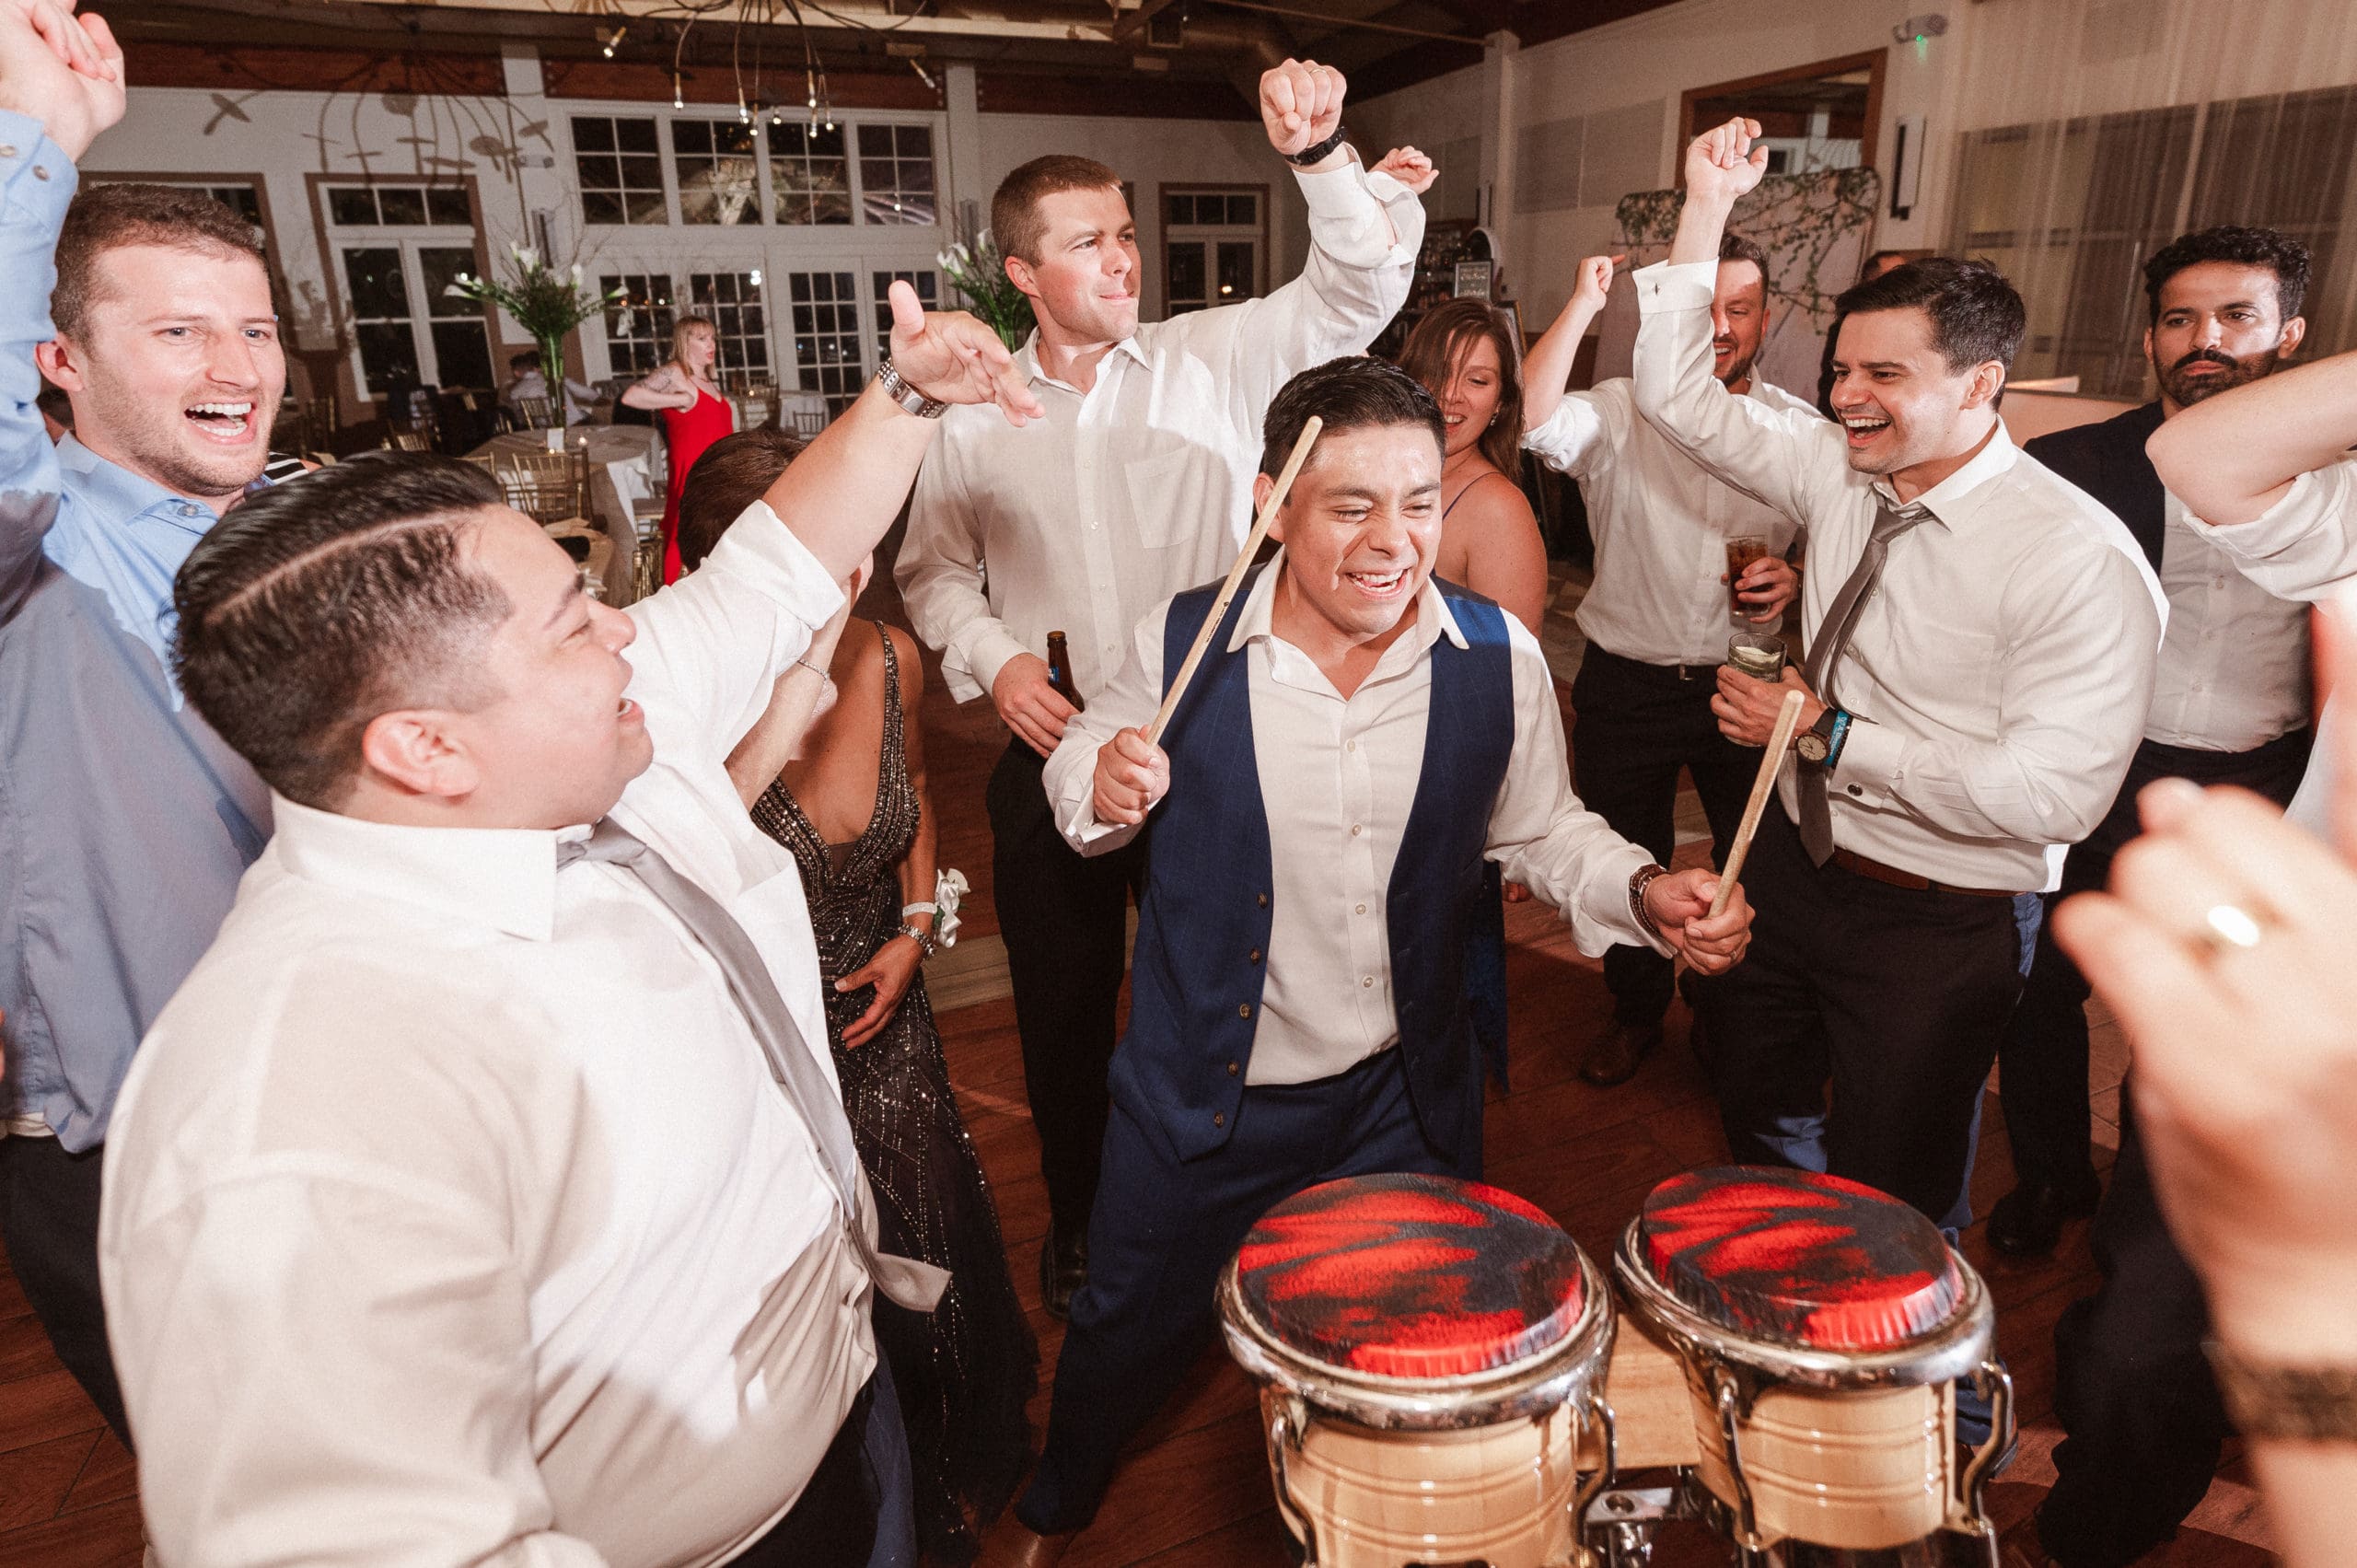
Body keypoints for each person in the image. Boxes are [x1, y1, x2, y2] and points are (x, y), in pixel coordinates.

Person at [97, 193, 1044, 1564]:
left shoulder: (573, 738)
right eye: (572, 621)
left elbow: (769, 570)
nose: (627, 630)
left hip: (851, 1416)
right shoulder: (298, 1093)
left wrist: (906, 396)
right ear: (422, 746)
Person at [978, 358, 1754, 1565]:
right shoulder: (1181, 637)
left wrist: (1648, 888)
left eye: (1420, 502)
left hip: (1403, 1092)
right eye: (1351, 506)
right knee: (1126, 1310)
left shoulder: (1494, 654)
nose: (1395, 541)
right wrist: (1104, 777)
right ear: (1271, 504)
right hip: (1207, 1087)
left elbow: (1543, 829)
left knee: (1408, 1329)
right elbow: (1082, 770)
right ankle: (1060, 1494)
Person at [895, 56, 1431, 1320]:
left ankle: (1234, 1202)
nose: (1123, 259)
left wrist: (1319, 159)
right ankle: (1086, 1217)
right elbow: (931, 572)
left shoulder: (1220, 356)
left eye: (1127, 234)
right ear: (1023, 273)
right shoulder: (969, 417)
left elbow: (1360, 287)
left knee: (1232, 991)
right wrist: (996, 660)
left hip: (1223, 741)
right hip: (1052, 746)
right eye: (1088, 243)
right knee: (1063, 1009)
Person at [1631, 116, 2164, 1232]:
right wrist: (1706, 208)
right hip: (1792, 863)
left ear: (1981, 384)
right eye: (1840, 370)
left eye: (1883, 374)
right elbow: (1675, 399)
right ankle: (1781, 1278)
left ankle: (1897, 1333)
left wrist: (1825, 733)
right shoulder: (1839, 468)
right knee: (1758, 1104)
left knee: (1896, 1177)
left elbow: (2056, 795)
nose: (1844, 398)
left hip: (1940, 913)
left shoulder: (2075, 559)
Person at [0, 2, 289, 1446]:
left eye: (255, 329)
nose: (235, 366)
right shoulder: (36, 555)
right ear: (57, 358)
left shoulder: (297, 528)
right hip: (144, 1141)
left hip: (337, 1081)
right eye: (178, 332)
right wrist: (34, 144)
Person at [675, 430, 1038, 1565]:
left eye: (847, 559)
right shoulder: (681, 705)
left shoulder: (889, 656)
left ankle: (958, 1449)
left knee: (930, 1223)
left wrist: (915, 931)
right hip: (759, 1041)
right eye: (810, 564)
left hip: (887, 1019)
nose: (842, 586)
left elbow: (916, 791)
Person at [1991, 226, 2316, 1262]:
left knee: (2185, 1018)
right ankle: (2052, 1172)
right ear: (2149, 339)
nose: (2204, 338)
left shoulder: (2334, 478)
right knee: (2032, 982)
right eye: (2180, 318)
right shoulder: (2072, 465)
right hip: (2093, 772)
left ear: (2291, 334)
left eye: (2237, 316)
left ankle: (2140, 1232)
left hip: (2256, 790)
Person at [2054, 600, 2357, 1568]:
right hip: (2278, 1013)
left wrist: (2296, 1289)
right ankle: (2093, 1521)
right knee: (2136, 1341)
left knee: (2149, 1351)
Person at [1516, 234, 1808, 1086]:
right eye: (1703, 309)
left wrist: (1797, 576)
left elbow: (1845, 548)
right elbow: (1531, 418)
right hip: (1627, 681)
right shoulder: (1620, 409)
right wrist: (1583, 303)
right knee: (1626, 854)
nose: (1719, 327)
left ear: (1764, 319)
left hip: (1746, 680)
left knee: (1754, 862)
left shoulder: (1799, 430)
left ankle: (1723, 1011)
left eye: (1739, 309)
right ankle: (1635, 1010)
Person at [1394, 297, 1547, 632]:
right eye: (1438, 373)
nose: (1451, 394)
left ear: (1500, 402)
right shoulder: (1382, 474)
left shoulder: (1498, 508)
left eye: (1477, 380)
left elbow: (1513, 655)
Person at [622, 313, 732, 586]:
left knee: (714, 537)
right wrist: (679, 399)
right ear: (685, 342)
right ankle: (675, 592)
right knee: (685, 536)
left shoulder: (705, 379)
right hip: (695, 472)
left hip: (717, 471)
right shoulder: (675, 373)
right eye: (702, 338)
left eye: (712, 338)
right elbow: (631, 396)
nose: (711, 345)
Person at [1817, 248, 1914, 418]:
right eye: (1895, 276)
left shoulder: (1914, 327)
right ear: (1872, 281)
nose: (1904, 283)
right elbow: (1828, 382)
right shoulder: (1846, 327)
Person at [501, 346, 597, 425]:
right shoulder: (554, 379)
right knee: (593, 415)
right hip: (572, 423)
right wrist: (596, 397)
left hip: (544, 428)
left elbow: (518, 415)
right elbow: (582, 391)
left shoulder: (515, 392)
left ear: (516, 372)